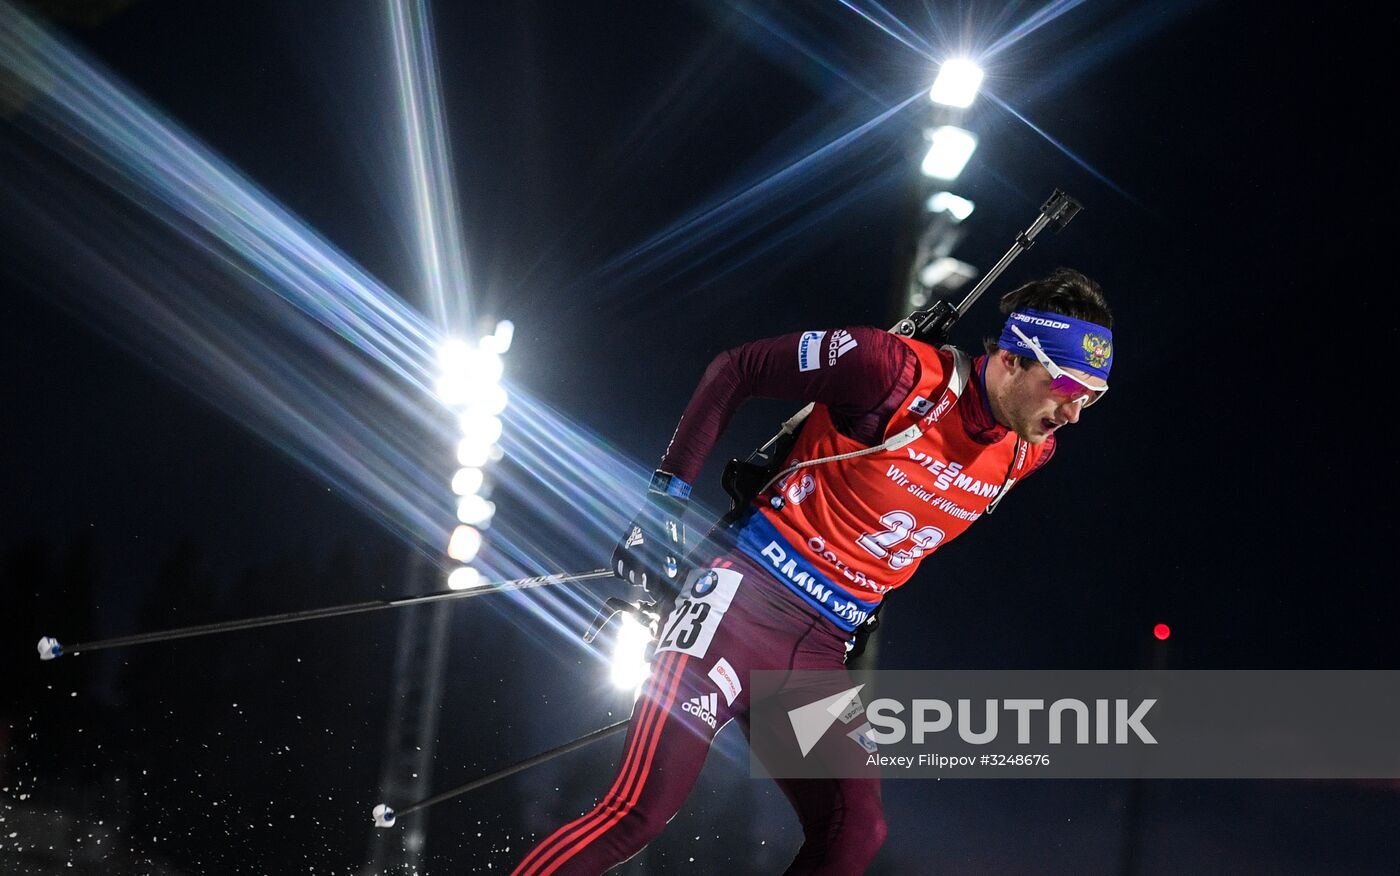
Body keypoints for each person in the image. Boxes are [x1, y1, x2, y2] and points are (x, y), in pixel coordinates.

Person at [511, 268, 1115, 875]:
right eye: (1065, 384)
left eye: (1092, 396)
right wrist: (663, 504)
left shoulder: (1028, 450)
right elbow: (737, 368)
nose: (1074, 411)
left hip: (818, 651)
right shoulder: (892, 371)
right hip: (738, 605)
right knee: (641, 811)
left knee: (855, 832)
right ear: (1012, 357)